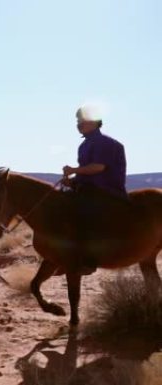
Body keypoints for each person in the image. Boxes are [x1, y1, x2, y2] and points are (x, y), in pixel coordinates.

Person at [62, 105, 127, 275]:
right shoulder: (85, 144)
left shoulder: (105, 143)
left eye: (81, 121)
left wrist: (74, 171)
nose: (78, 124)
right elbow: (86, 173)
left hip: (107, 191)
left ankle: (89, 261)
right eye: (78, 121)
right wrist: (72, 182)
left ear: (93, 122)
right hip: (89, 189)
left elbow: (98, 167)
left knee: (84, 216)